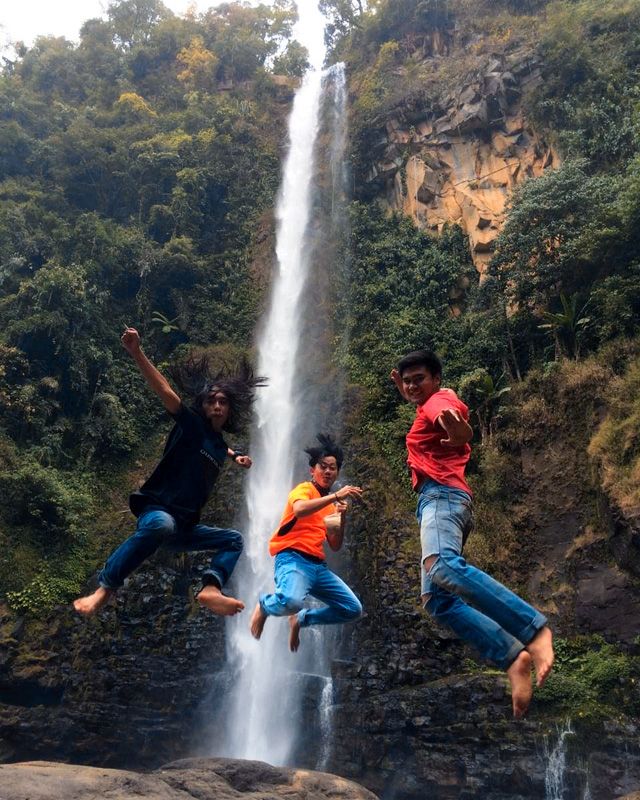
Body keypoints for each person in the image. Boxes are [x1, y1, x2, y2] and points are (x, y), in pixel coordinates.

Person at [390, 349, 554, 718]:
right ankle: (513, 658)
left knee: (442, 565)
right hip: (438, 502)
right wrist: (406, 389)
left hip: (442, 497)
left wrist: (458, 430)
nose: (414, 386)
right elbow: (435, 415)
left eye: (420, 378)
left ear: (436, 378)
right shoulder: (424, 405)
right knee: (437, 601)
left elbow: (460, 427)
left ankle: (534, 630)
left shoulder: (440, 400)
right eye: (408, 381)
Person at [73, 326, 266, 618]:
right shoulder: (190, 424)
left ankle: (211, 588)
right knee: (160, 525)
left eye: (223, 402)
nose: (216, 405)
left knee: (234, 540)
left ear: (229, 410)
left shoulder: (218, 443)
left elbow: (217, 447)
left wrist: (235, 456)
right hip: (158, 512)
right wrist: (137, 353)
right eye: (211, 400)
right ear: (202, 405)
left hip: (184, 529)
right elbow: (164, 390)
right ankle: (104, 589)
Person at [250, 434, 363, 651]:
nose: (328, 471)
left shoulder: (332, 506)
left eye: (333, 467)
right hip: (292, 558)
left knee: (352, 609)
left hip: (317, 568)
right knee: (291, 601)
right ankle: (264, 606)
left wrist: (342, 517)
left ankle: (301, 620)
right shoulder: (304, 490)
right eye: (323, 466)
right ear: (313, 470)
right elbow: (300, 509)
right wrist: (336, 496)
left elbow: (335, 544)